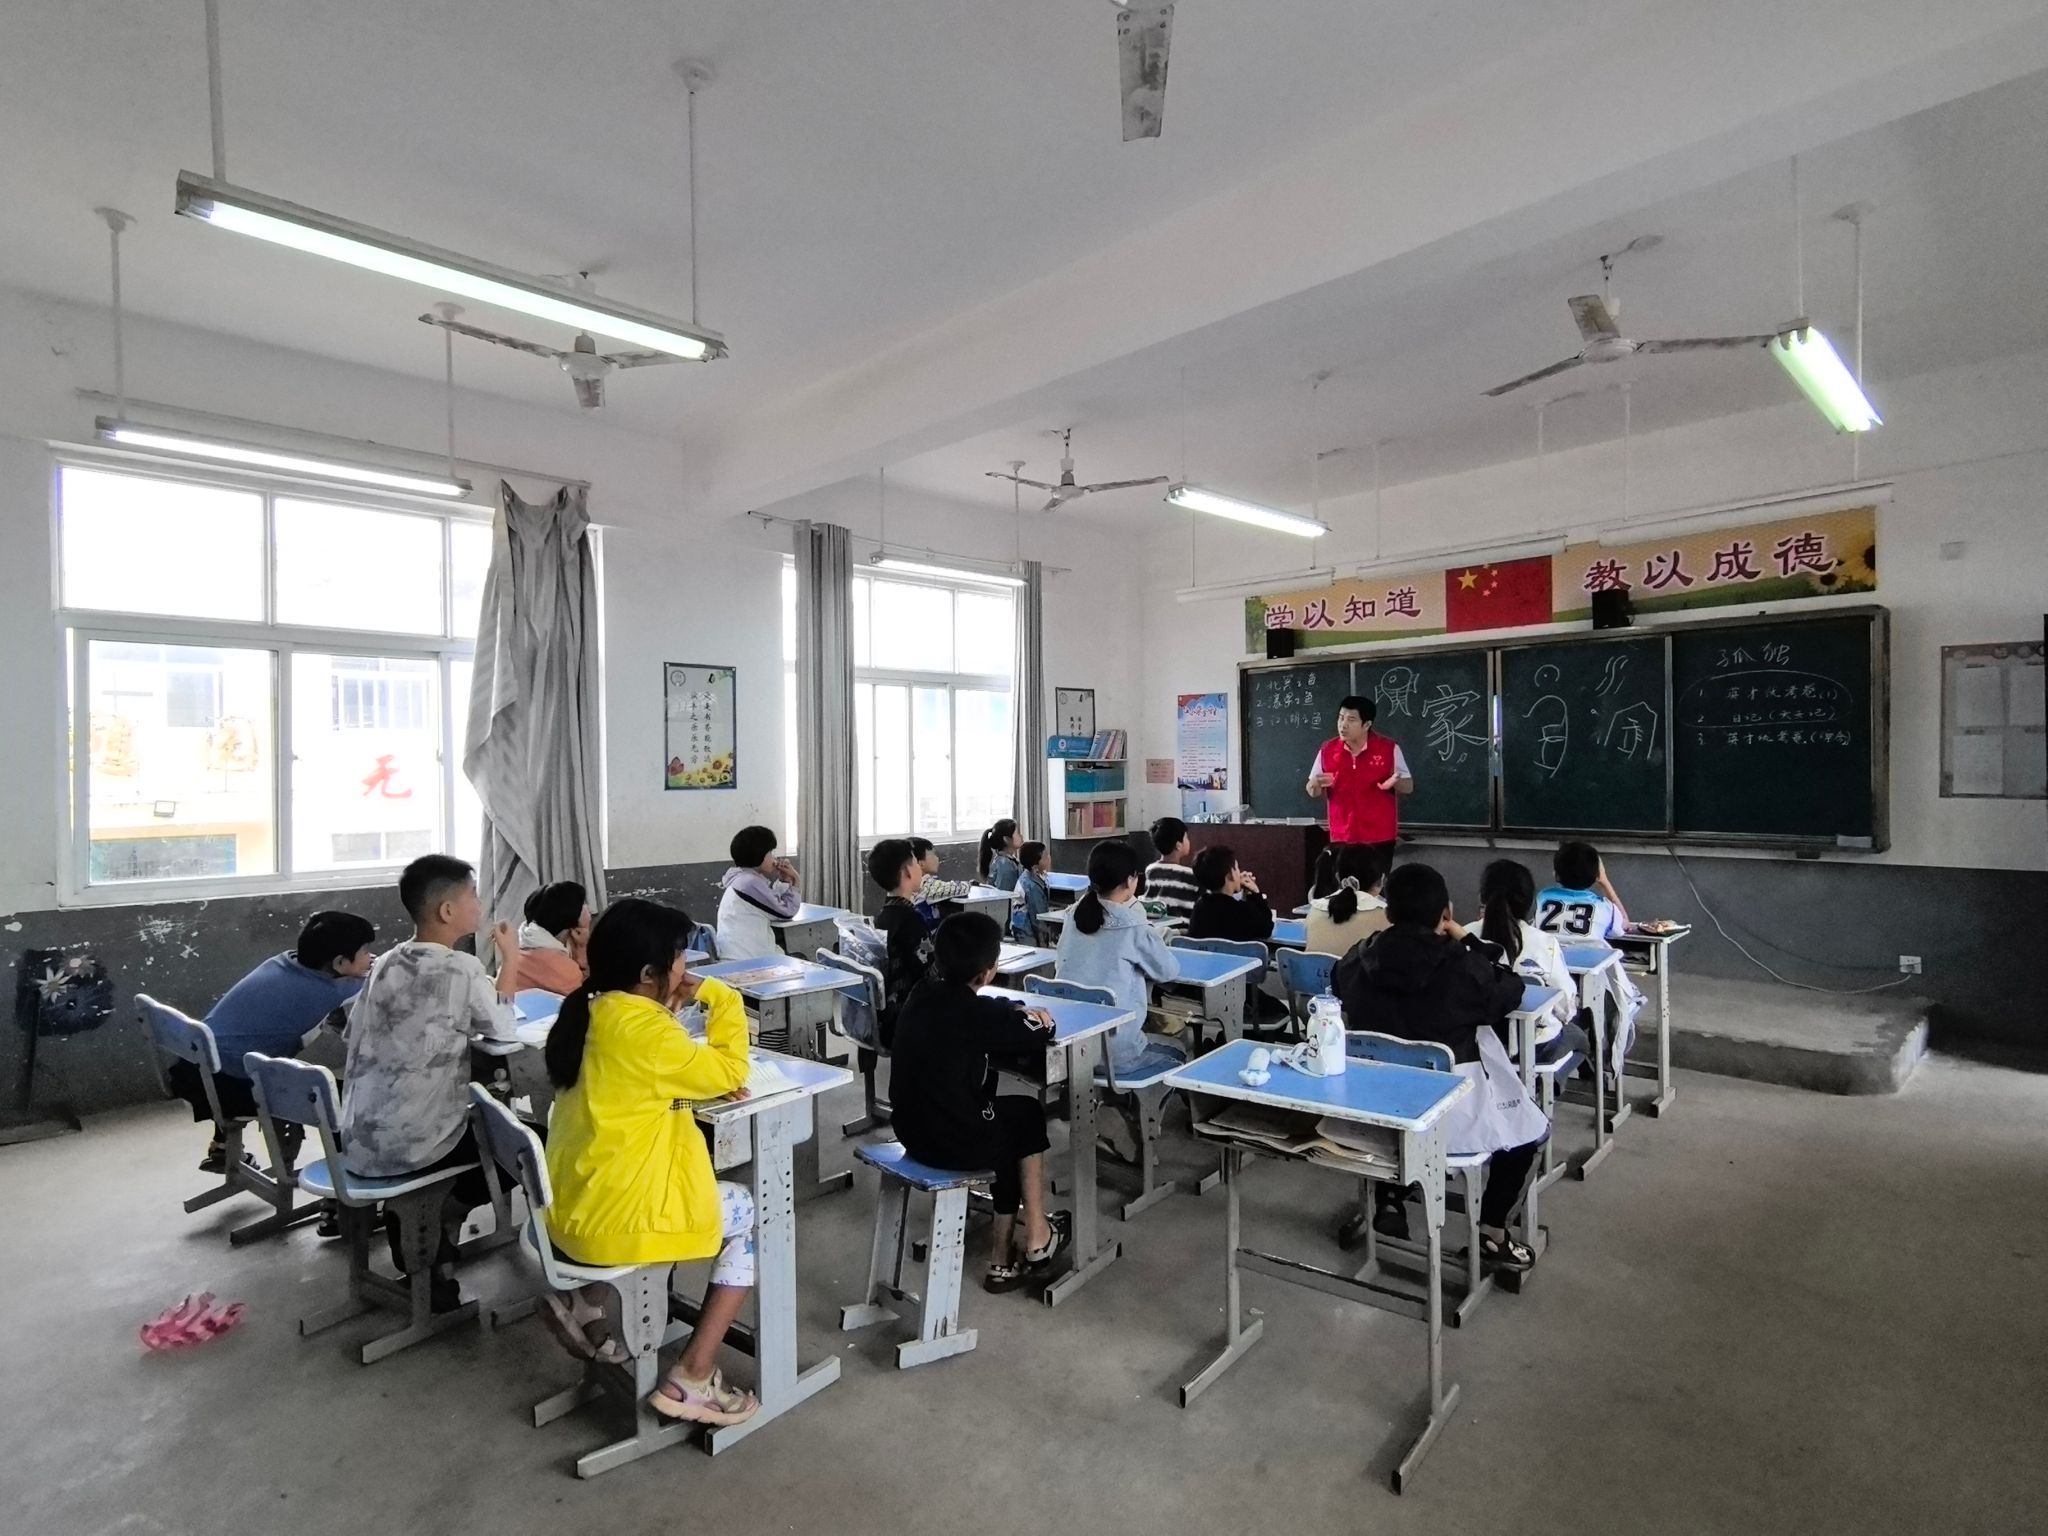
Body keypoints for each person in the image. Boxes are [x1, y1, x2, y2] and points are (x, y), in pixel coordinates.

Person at [540, 899, 760, 1427]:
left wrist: (676, 1030)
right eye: (679, 956)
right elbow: (732, 1069)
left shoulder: (591, 1011)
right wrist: (721, 995)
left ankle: (586, 1305)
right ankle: (694, 1375)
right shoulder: (650, 1035)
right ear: (647, 973)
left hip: (569, 1211)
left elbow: (644, 1075)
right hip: (617, 1220)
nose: (686, 967)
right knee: (752, 1212)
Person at [1331, 862, 1547, 1270]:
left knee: (1399, 1113)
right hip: (1450, 1114)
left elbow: (1338, 987)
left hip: (1372, 1109)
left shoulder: (1354, 961)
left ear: (1388, 912)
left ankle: (1389, 1198)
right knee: (1529, 1134)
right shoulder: (1463, 968)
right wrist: (1469, 940)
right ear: (1446, 912)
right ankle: (1492, 1235)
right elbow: (1511, 988)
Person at [339, 855, 520, 1311]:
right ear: (447, 910)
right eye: (473, 895)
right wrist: (512, 958)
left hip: (358, 1138)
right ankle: (433, 1220)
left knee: (481, 1122)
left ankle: (432, 1236)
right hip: (416, 1143)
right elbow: (503, 1030)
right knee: (523, 1147)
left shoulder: (384, 963)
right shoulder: (461, 968)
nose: (480, 903)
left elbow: (352, 1030)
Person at [890, 913, 1071, 1293]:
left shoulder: (922, 993)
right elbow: (1041, 1029)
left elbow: (992, 1010)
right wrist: (1033, 1016)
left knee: (1002, 1122)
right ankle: (1036, 1236)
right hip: (952, 1142)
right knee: (1025, 1115)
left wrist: (1010, 1006)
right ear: (987, 972)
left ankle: (1005, 1259)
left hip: (910, 1132)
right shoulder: (974, 1014)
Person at [171, 910, 376, 1172]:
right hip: (228, 1088)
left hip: (193, 1065)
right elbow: (378, 978)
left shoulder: (281, 962)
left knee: (244, 1051)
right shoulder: (332, 990)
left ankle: (223, 1146)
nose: (370, 957)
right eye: (365, 952)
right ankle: (349, 1171)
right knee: (342, 1095)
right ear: (339, 962)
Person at [1054, 838, 1183, 1078]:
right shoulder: (1132, 925)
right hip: (1115, 1054)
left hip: (1072, 1047)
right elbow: (1168, 971)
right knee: (1179, 1049)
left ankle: (1116, 1097)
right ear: (1130, 880)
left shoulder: (1072, 916)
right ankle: (1132, 1101)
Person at [1533, 839, 1645, 1070]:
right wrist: (1605, 883)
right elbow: (1624, 925)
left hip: (1552, 990)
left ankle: (1585, 1056)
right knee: (1616, 1000)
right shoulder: (1604, 906)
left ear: (1556, 874)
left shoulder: (1543, 898)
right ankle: (1598, 1058)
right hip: (1593, 989)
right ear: (1595, 875)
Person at [1477, 859, 1590, 1071]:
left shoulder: (1463, 936)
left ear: (1482, 898)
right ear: (1529, 901)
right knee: (1580, 1039)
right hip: (1532, 1045)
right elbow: (1564, 1005)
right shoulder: (1544, 943)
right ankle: (1544, 1087)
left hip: (1476, 1044)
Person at [1304, 695, 1412, 869]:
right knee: (1344, 884)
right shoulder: (1328, 749)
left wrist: (1394, 781)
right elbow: (1312, 789)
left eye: (1351, 719)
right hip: (1342, 835)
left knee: (1376, 884)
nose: (1343, 725)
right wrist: (1315, 784)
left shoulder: (1388, 748)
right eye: (1341, 718)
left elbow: (1408, 786)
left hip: (1379, 837)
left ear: (1366, 725)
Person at [869, 837, 935, 1048]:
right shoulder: (911, 919)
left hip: (887, 1012)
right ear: (907, 872)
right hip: (908, 1016)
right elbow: (929, 973)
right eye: (915, 862)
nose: (919, 868)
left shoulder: (884, 915)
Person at [715, 825, 802, 962]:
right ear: (758, 854)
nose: (774, 858)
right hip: (746, 959)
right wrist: (796, 879)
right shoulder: (750, 882)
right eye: (770, 853)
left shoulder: (740, 878)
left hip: (736, 954)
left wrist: (784, 880)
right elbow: (786, 912)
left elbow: (770, 903)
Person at [1305, 843, 1390, 957]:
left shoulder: (1315, 910)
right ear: (1382, 880)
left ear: (1338, 878)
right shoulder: (1386, 915)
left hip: (1315, 969)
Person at [1187, 845, 1275, 943]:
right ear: (1231, 874)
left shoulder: (1199, 908)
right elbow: (1267, 929)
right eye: (1237, 868)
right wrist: (1255, 893)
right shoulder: (1243, 911)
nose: (1239, 873)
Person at [518, 881, 591, 996]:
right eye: (582, 905)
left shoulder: (517, 948)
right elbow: (586, 996)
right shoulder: (564, 968)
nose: (587, 908)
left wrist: (581, 948)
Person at [1141, 817, 1198, 923]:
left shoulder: (1150, 870)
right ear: (1178, 845)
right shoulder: (1190, 874)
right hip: (1182, 928)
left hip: (1156, 926)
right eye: (1186, 838)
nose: (1189, 841)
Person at [911, 836, 974, 925]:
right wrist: (968, 884)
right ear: (921, 864)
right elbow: (961, 888)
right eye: (933, 854)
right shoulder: (927, 884)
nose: (937, 858)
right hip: (929, 932)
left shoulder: (908, 884)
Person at [1010, 841, 1053, 942]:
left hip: (1022, 929)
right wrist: (1043, 942)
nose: (1049, 858)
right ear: (1035, 866)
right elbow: (1038, 919)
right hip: (1027, 934)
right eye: (1045, 857)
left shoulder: (1029, 876)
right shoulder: (1031, 886)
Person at [977, 818, 1024, 891]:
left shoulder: (1008, 859)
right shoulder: (1005, 864)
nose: (1021, 836)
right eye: (1018, 833)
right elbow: (1006, 893)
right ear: (1006, 839)